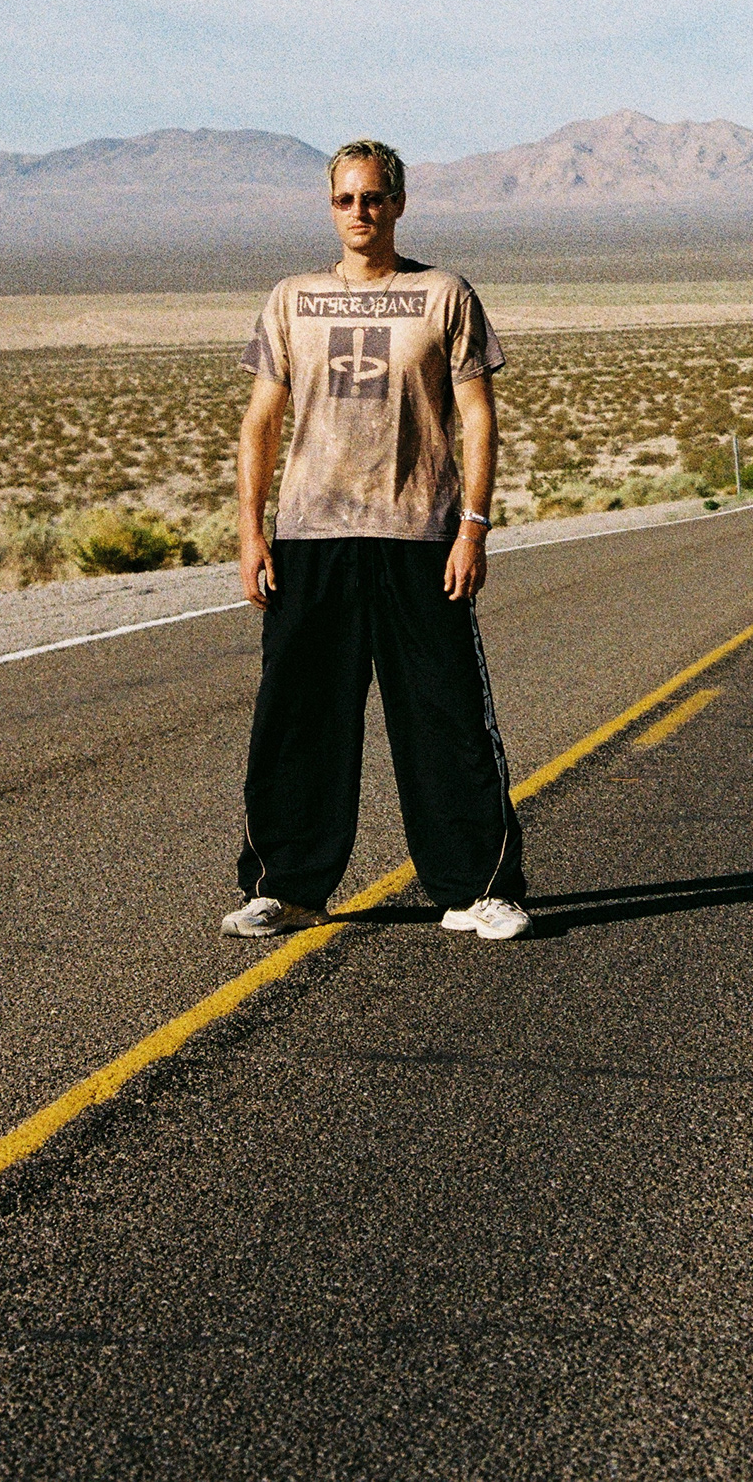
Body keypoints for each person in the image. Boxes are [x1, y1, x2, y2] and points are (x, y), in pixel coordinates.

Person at [219, 138, 529, 944]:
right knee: (298, 718)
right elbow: (260, 421)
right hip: (312, 535)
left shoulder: (444, 295)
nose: (360, 211)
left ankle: (477, 888)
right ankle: (286, 887)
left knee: (445, 715)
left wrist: (474, 525)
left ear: (398, 202)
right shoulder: (292, 298)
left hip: (419, 534)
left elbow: (478, 417)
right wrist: (251, 529)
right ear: (331, 207)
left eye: (373, 197)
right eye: (345, 199)